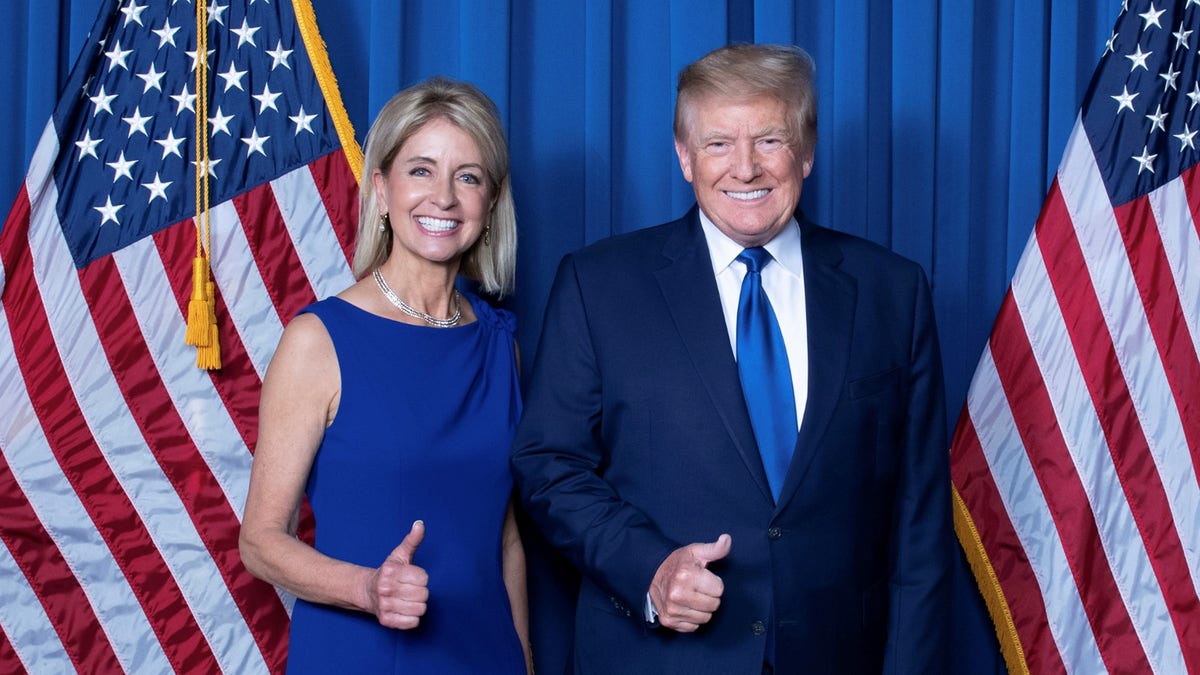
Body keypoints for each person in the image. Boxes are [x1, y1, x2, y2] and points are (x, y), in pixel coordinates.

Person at [511, 43, 952, 674]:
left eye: (770, 139)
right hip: (656, 657)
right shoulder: (599, 285)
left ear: (806, 150)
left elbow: (919, 516)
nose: (745, 168)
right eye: (719, 144)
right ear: (684, 157)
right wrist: (650, 568)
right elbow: (548, 465)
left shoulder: (893, 291)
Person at [240, 76, 530, 674]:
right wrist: (368, 589)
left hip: (484, 654)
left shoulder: (502, 345)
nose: (444, 198)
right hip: (364, 651)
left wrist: (524, 660)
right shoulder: (318, 340)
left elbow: (504, 540)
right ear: (381, 189)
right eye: (421, 170)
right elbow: (261, 540)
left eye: (468, 176)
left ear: (491, 202)